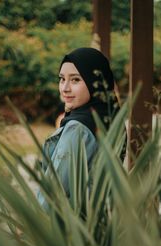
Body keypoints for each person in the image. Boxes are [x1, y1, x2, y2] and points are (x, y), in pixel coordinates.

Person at [37, 47, 124, 211]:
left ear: (93, 82)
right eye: (62, 79)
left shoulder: (78, 128)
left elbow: (54, 194)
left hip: (69, 230)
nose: (65, 88)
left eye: (75, 80)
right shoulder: (111, 118)